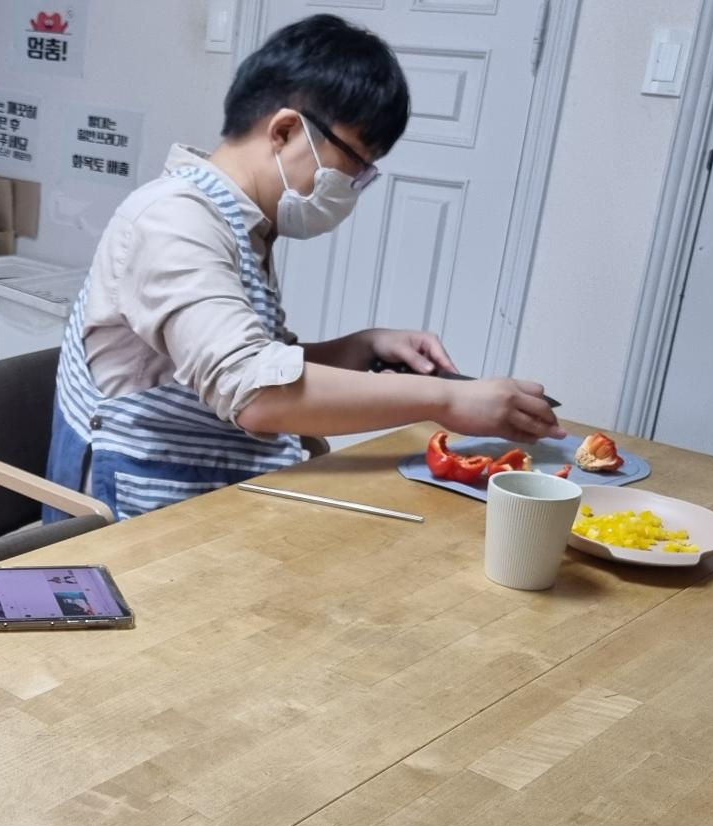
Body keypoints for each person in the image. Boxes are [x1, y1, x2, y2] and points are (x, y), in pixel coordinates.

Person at [48, 15, 566, 520]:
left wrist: (361, 347)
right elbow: (256, 392)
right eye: (354, 164)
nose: (355, 185)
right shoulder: (172, 220)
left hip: (204, 486)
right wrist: (448, 400)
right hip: (135, 515)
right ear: (285, 131)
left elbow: (259, 361)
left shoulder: (239, 223)